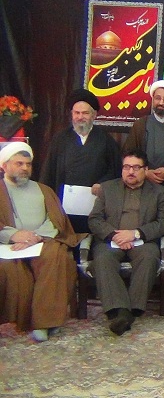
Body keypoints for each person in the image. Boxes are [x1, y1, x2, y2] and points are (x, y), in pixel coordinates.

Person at [0, 143, 83, 342]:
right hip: (8, 245)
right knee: (10, 269)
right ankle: (27, 319)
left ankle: (45, 322)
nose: (25, 168)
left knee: (57, 256)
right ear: (4, 165)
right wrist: (13, 235)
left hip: (42, 240)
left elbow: (56, 220)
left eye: (28, 164)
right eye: (19, 164)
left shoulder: (43, 190)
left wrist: (35, 237)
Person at [88, 149, 164, 336]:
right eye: (126, 167)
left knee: (149, 257)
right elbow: (94, 220)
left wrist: (134, 234)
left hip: (142, 240)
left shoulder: (160, 193)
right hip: (111, 240)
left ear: (145, 170)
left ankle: (127, 311)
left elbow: (163, 223)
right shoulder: (107, 189)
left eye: (135, 167)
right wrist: (114, 235)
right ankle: (122, 311)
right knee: (102, 260)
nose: (130, 172)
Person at [39, 88, 120, 233]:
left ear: (94, 115)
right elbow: (48, 172)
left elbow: (115, 171)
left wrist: (102, 184)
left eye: (85, 113)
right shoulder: (60, 139)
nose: (80, 117)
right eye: (77, 113)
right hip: (63, 207)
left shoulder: (106, 140)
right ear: (71, 114)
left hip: (94, 208)